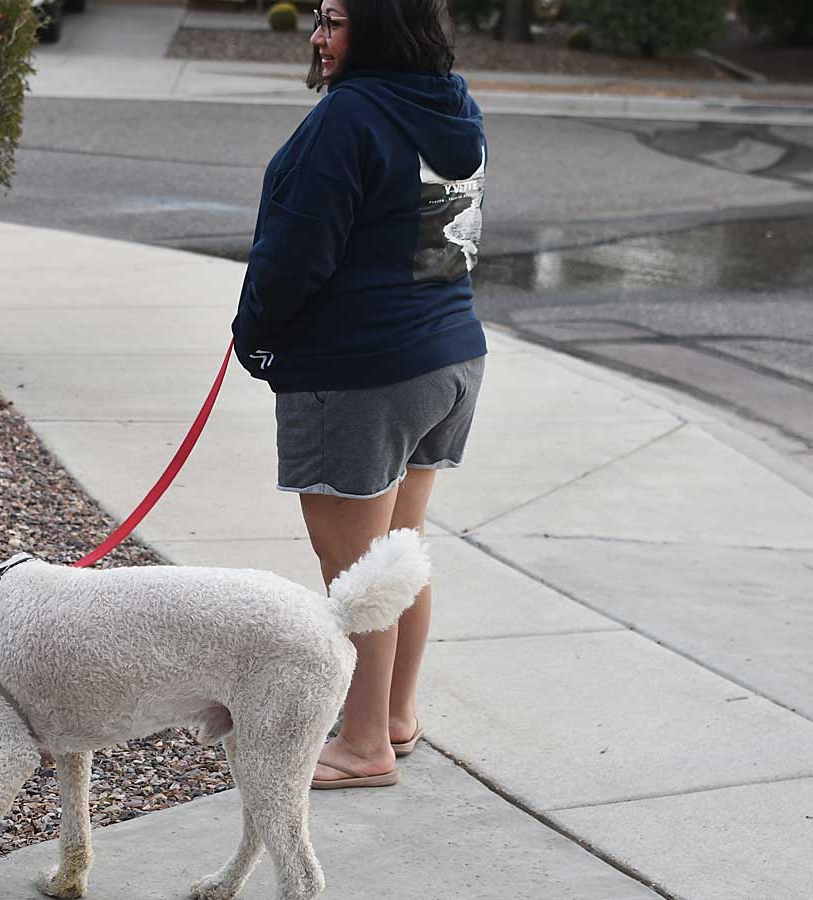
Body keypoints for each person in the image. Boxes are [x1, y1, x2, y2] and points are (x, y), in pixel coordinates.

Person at [231, 0, 487, 789]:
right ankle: (398, 716)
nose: (317, 36)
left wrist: (256, 335)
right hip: (447, 357)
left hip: (362, 372)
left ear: (380, 26)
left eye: (335, 20)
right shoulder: (452, 102)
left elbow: (299, 250)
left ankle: (364, 743)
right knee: (398, 556)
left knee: (357, 574)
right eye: (317, 17)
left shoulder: (348, 116)